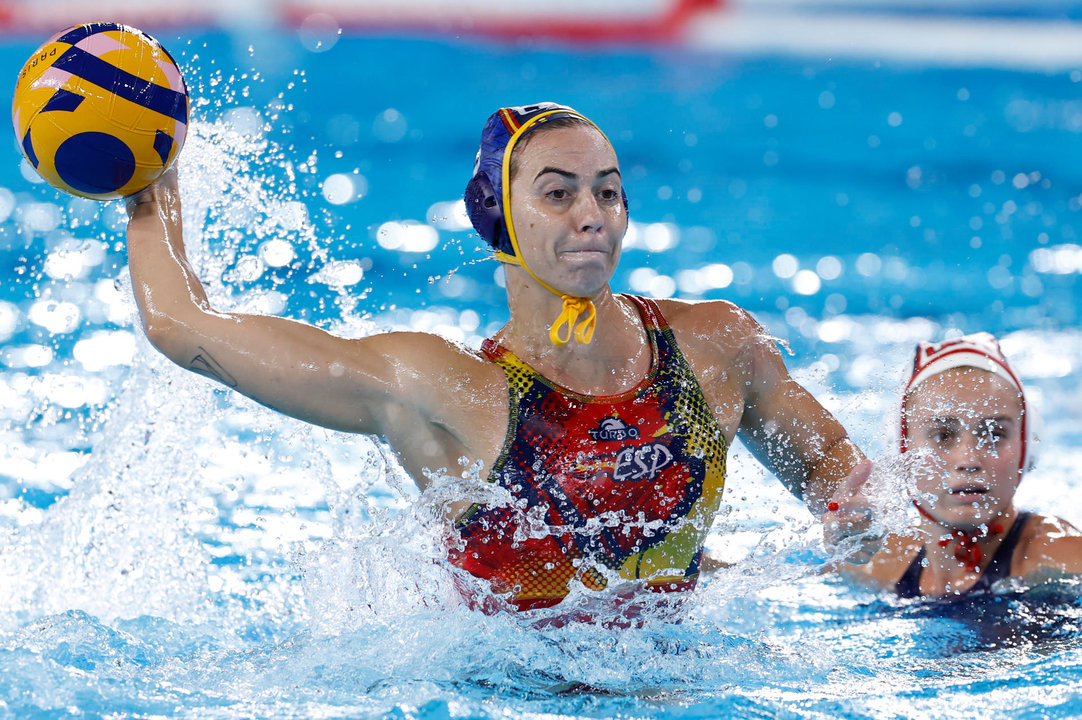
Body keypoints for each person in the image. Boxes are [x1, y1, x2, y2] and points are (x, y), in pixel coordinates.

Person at [126, 101, 875, 614]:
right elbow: (181, 325)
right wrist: (148, 181)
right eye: (558, 194)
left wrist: (858, 521)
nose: (591, 215)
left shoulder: (714, 348)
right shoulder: (444, 391)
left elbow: (832, 469)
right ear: (497, 215)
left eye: (608, 193)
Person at [840, 332, 1082, 598]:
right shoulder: (872, 566)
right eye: (942, 435)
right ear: (902, 449)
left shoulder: (1064, 560)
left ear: (1028, 449)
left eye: (994, 435)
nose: (969, 461)